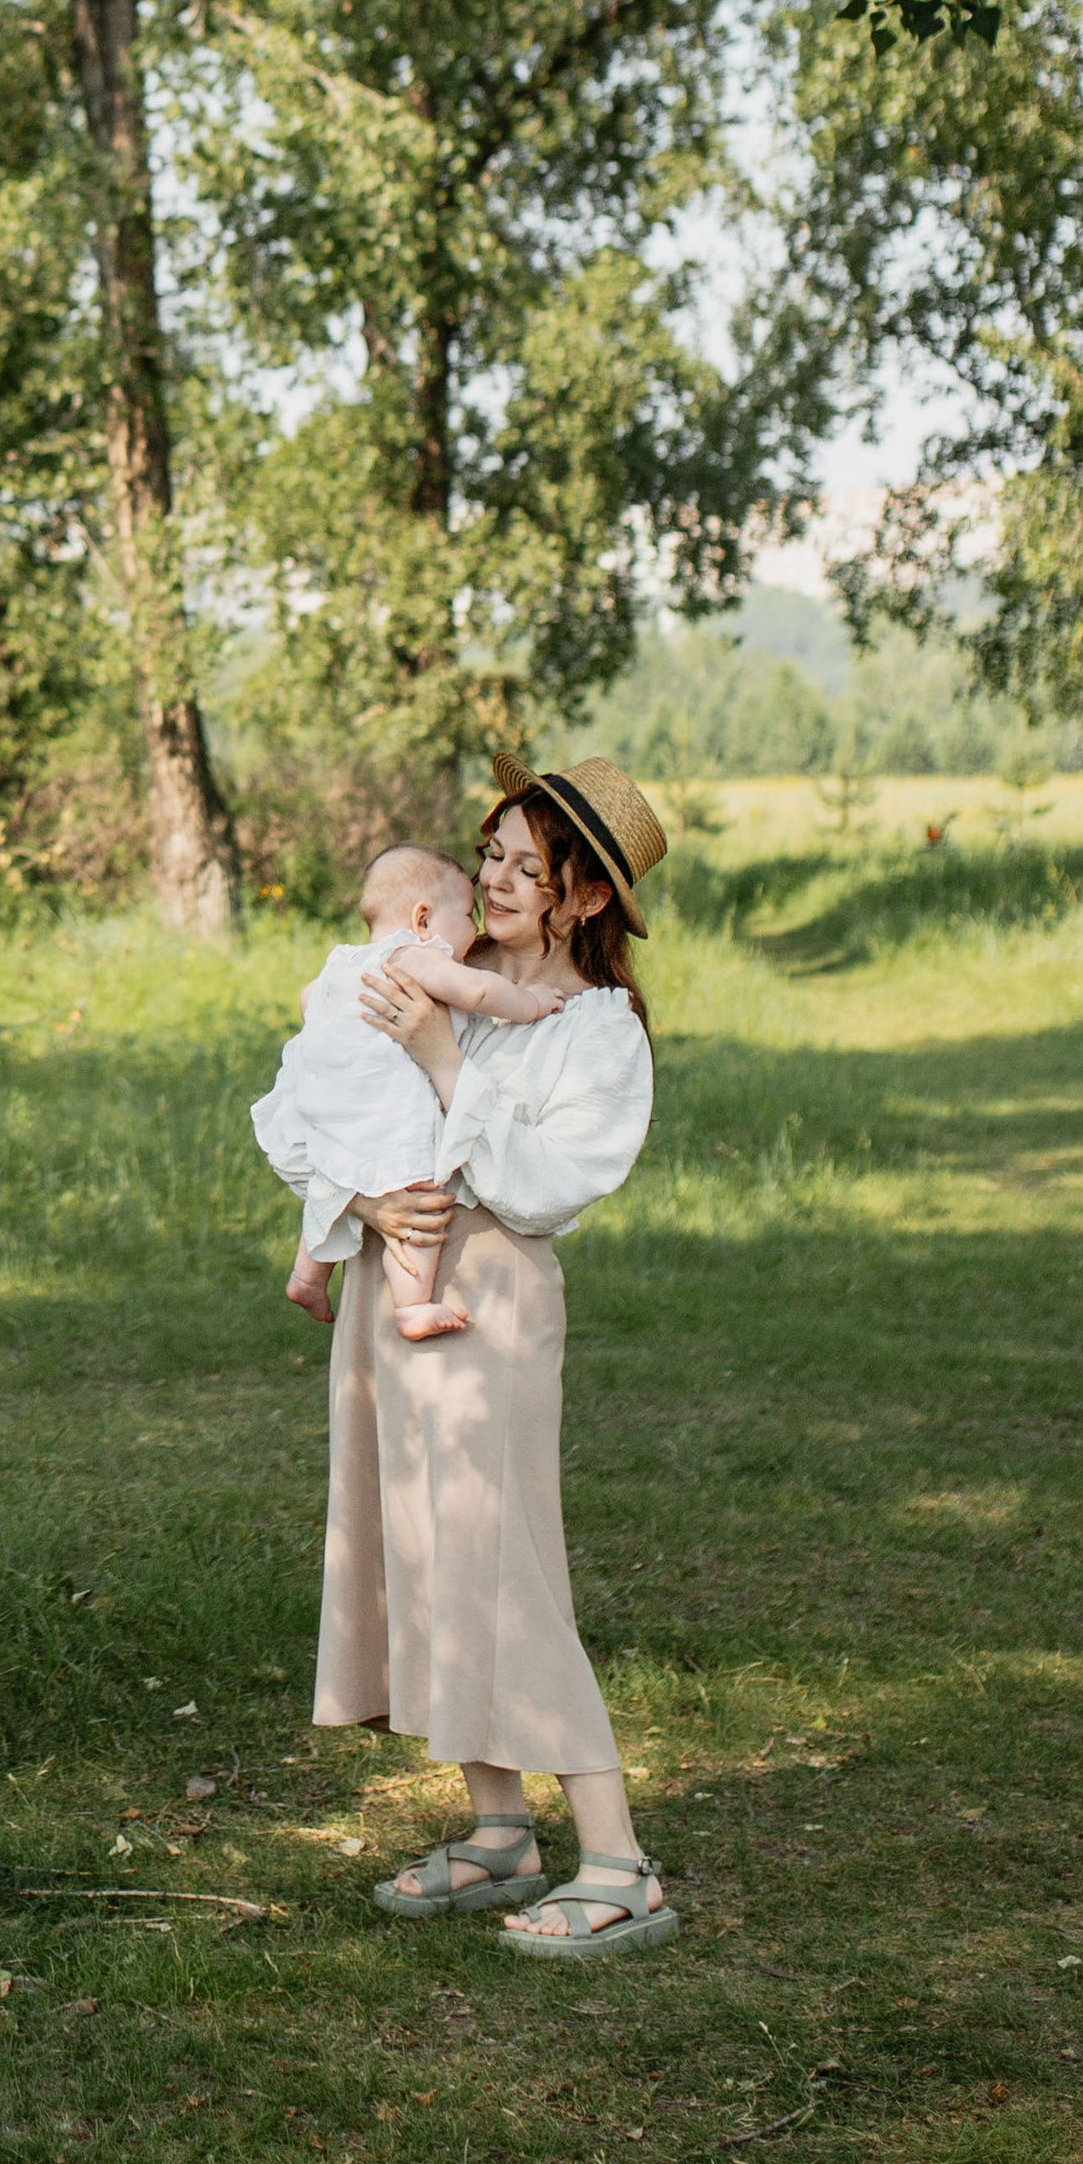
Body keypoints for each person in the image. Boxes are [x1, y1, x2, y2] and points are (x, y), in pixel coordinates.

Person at [309, 754, 677, 1958]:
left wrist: (441, 1058)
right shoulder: (438, 965)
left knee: (504, 1557)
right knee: (422, 1546)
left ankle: (618, 1863)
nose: (499, 879)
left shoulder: (594, 1030)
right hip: (391, 1285)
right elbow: (329, 1098)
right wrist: (357, 1211)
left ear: (581, 898)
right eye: (493, 856)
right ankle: (499, 1829)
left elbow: (544, 1185)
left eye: (530, 866)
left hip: (490, 1301)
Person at [252, 843, 566, 1339]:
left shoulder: (345, 960)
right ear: (423, 919)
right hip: (382, 1115)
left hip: (328, 1108)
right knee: (417, 1195)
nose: (474, 925)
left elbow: (308, 999)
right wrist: (530, 1002)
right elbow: (480, 993)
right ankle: (413, 1305)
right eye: (466, 914)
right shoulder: (415, 957)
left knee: (334, 1175)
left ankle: (306, 1277)